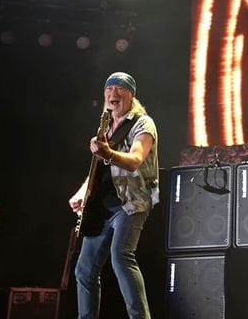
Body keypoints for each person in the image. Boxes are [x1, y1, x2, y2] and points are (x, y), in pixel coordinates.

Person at [68, 72, 158, 319]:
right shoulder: (105, 127)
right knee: (84, 270)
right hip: (102, 208)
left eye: (120, 88)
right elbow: (97, 170)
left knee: (121, 256)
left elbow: (136, 160)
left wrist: (107, 153)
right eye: (109, 89)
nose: (113, 93)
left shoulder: (143, 123)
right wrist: (82, 193)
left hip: (131, 204)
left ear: (131, 94)